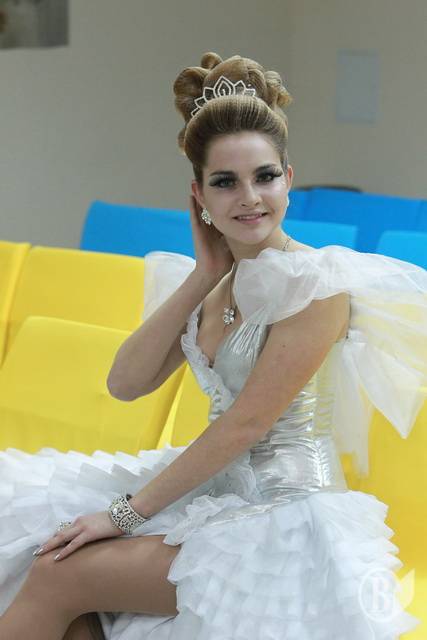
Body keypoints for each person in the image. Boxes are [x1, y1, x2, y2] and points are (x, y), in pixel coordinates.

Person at [0, 51, 426, 640]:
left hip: (284, 522)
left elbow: (245, 425)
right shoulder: (212, 282)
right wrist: (204, 274)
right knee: (38, 542)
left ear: (289, 179)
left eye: (265, 176)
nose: (249, 197)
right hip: (214, 495)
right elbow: (125, 384)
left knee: (58, 571)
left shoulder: (316, 286)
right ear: (198, 195)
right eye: (226, 182)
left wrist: (123, 516)